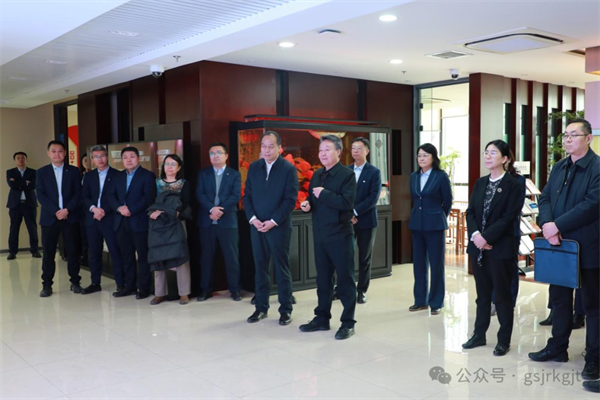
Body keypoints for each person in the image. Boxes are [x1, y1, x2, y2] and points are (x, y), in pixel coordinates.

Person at [522, 119, 600, 389]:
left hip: (588, 245)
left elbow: (592, 204)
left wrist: (558, 225)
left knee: (592, 305)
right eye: (565, 135)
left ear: (588, 138)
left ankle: (594, 357)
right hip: (558, 245)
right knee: (559, 299)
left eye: (573, 135)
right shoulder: (559, 166)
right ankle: (557, 347)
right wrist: (547, 225)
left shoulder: (597, 167)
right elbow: (544, 198)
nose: (567, 140)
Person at [462, 139, 524, 356]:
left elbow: (509, 217)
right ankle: (479, 334)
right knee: (482, 295)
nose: (487, 156)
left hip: (501, 248)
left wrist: (486, 237)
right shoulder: (480, 183)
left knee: (502, 296)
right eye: (486, 152)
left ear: (505, 158)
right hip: (478, 247)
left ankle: (503, 340)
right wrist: (476, 235)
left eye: (493, 153)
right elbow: (470, 212)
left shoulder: (514, 185)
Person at [299, 135, 357, 340]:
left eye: (327, 149)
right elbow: (313, 197)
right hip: (320, 234)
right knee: (323, 279)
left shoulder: (347, 175)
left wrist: (323, 194)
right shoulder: (317, 174)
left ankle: (348, 323)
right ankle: (322, 318)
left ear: (338, 152)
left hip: (340, 234)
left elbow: (346, 203)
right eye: (320, 150)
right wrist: (307, 203)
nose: (322, 154)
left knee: (345, 280)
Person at [244, 131, 298, 324]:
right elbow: (247, 196)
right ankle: (261, 308)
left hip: (278, 227)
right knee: (260, 268)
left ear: (279, 148)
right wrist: (253, 219)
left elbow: (290, 200)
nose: (266, 150)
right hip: (257, 226)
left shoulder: (288, 169)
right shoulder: (254, 167)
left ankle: (285, 310)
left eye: (271, 146)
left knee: (282, 268)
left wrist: (273, 221)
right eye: (263, 146)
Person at [408, 143, 452, 315]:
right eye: (419, 155)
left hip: (435, 226)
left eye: (425, 155)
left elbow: (447, 201)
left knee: (436, 265)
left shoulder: (440, 176)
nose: (421, 158)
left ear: (433, 157)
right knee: (419, 264)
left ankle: (436, 302)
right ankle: (420, 301)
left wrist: (438, 216)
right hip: (417, 225)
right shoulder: (413, 176)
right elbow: (414, 199)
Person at [196, 142, 242, 302]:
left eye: (218, 153)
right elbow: (200, 194)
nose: (215, 156)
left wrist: (220, 210)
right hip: (207, 222)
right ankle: (206, 290)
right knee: (206, 258)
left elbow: (235, 196)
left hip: (228, 222)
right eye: (212, 153)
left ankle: (235, 290)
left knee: (231, 258)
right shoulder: (203, 174)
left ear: (226, 156)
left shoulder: (234, 174)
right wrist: (211, 209)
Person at [36, 140, 82, 297]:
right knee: (48, 253)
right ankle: (47, 285)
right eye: (54, 151)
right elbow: (41, 195)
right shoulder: (42, 172)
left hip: (70, 217)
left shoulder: (74, 171)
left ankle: (75, 282)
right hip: (50, 218)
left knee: (73, 252)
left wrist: (67, 210)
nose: (57, 154)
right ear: (48, 153)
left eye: (60, 151)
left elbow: (78, 193)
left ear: (65, 153)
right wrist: (57, 211)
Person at [109, 146, 156, 299]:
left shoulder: (147, 175)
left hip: (139, 221)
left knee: (143, 257)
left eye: (132, 156)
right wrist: (119, 208)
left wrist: (131, 209)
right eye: (125, 157)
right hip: (121, 222)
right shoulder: (118, 176)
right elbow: (111, 196)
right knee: (126, 256)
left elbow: (148, 198)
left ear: (138, 158)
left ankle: (144, 288)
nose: (128, 160)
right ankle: (129, 286)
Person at [148, 155, 192, 305]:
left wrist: (167, 211)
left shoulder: (184, 183)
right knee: (158, 255)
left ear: (179, 167)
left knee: (181, 256)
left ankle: (184, 293)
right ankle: (159, 293)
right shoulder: (156, 183)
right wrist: (158, 212)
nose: (169, 167)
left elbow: (185, 203)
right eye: (167, 164)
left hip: (177, 222)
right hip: (158, 224)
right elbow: (150, 202)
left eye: (173, 164)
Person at [80, 145, 123, 294]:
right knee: (94, 253)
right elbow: (84, 196)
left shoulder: (118, 175)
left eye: (102, 156)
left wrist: (103, 210)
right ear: (92, 159)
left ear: (107, 157)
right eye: (96, 157)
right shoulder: (89, 176)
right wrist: (94, 209)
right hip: (92, 219)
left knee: (115, 252)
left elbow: (118, 197)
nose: (100, 159)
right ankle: (95, 283)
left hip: (110, 218)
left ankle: (121, 284)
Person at [348, 137, 381, 304]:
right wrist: (348, 214)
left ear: (367, 151)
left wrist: (355, 212)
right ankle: (344, 289)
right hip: (347, 221)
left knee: (364, 258)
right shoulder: (346, 170)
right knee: (345, 256)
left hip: (367, 221)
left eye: (359, 148)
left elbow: (373, 198)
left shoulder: (374, 172)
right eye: (353, 148)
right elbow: (342, 195)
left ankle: (361, 290)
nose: (355, 151)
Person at [6, 151, 40, 260]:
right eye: (18, 158)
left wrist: (18, 182)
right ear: (15, 161)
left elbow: (34, 185)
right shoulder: (10, 172)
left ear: (26, 160)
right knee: (14, 229)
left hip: (29, 204)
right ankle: (12, 252)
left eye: (23, 158)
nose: (21, 159)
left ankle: (35, 251)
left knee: (32, 228)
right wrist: (26, 183)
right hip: (15, 205)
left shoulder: (33, 172)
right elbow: (12, 184)